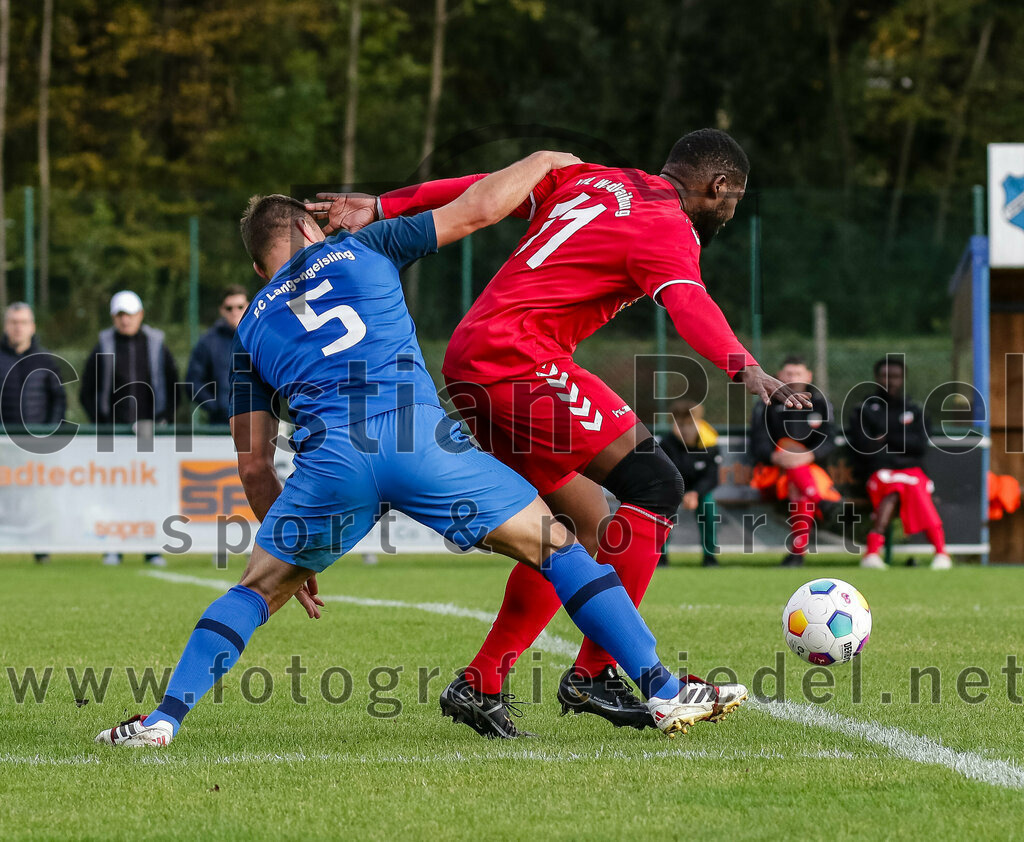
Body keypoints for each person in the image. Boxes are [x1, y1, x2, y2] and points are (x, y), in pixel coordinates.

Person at [95, 151, 748, 749]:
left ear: (257, 265)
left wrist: (291, 542)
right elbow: (478, 209)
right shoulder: (365, 246)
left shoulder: (251, 327)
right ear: (307, 231)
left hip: (332, 468)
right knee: (558, 544)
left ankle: (162, 720)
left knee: (255, 591)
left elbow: (253, 463)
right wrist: (544, 162)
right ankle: (661, 689)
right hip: (420, 442)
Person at [309, 128, 808, 736]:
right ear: (719, 186)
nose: (731, 211)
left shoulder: (595, 178)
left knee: (578, 524)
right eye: (734, 201)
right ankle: (598, 674)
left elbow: (484, 190)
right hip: (521, 359)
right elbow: (689, 305)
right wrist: (749, 371)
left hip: (474, 355)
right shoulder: (667, 225)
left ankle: (482, 682)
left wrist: (388, 203)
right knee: (655, 482)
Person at [80, 290, 179, 567]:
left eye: (131, 314)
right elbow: (87, 391)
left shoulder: (157, 343)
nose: (126, 320)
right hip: (113, 437)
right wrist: (102, 424)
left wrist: (162, 421)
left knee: (152, 493)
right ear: (114, 317)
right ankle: (114, 546)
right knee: (114, 493)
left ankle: (152, 548)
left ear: (141, 315)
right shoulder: (103, 343)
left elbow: (174, 386)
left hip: (151, 435)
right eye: (121, 315)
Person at [845, 357, 951, 570]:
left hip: (911, 472)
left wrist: (886, 437)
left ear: (903, 379)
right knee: (896, 488)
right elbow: (864, 447)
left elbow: (919, 445)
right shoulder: (864, 409)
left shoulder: (914, 409)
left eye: (894, 376)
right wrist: (900, 443)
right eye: (884, 376)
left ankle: (873, 552)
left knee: (909, 485)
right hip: (879, 473)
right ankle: (941, 551)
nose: (889, 381)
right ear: (876, 378)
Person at [749, 356, 839, 567]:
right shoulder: (766, 403)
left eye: (798, 373)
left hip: (809, 473)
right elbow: (758, 442)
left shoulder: (820, 404)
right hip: (772, 474)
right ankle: (819, 503)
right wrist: (776, 456)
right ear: (779, 376)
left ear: (808, 376)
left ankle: (797, 554)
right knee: (787, 455)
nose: (793, 378)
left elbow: (829, 440)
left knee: (798, 486)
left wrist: (808, 456)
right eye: (788, 374)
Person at [0, 302, 67, 563]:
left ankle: (41, 549)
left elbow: (58, 400)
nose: (18, 328)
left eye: (23, 322)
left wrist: (48, 432)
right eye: (13, 322)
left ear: (32, 327)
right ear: (6, 326)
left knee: (38, 497)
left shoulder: (46, 360)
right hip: (3, 444)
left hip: (36, 446)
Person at [657, 399, 722, 567]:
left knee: (708, 505)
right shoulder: (667, 444)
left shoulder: (710, 443)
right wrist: (680, 492)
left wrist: (695, 493)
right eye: (679, 424)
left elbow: (712, 477)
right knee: (661, 506)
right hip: (673, 490)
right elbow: (665, 474)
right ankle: (660, 556)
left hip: (698, 491)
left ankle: (710, 556)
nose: (684, 429)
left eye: (688, 424)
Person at [186, 284, 250, 426]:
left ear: (248, 306)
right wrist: (216, 407)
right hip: (220, 424)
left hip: (258, 421)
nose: (234, 312)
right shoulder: (208, 342)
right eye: (229, 308)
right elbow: (193, 382)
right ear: (222, 310)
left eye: (240, 307)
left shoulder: (259, 337)